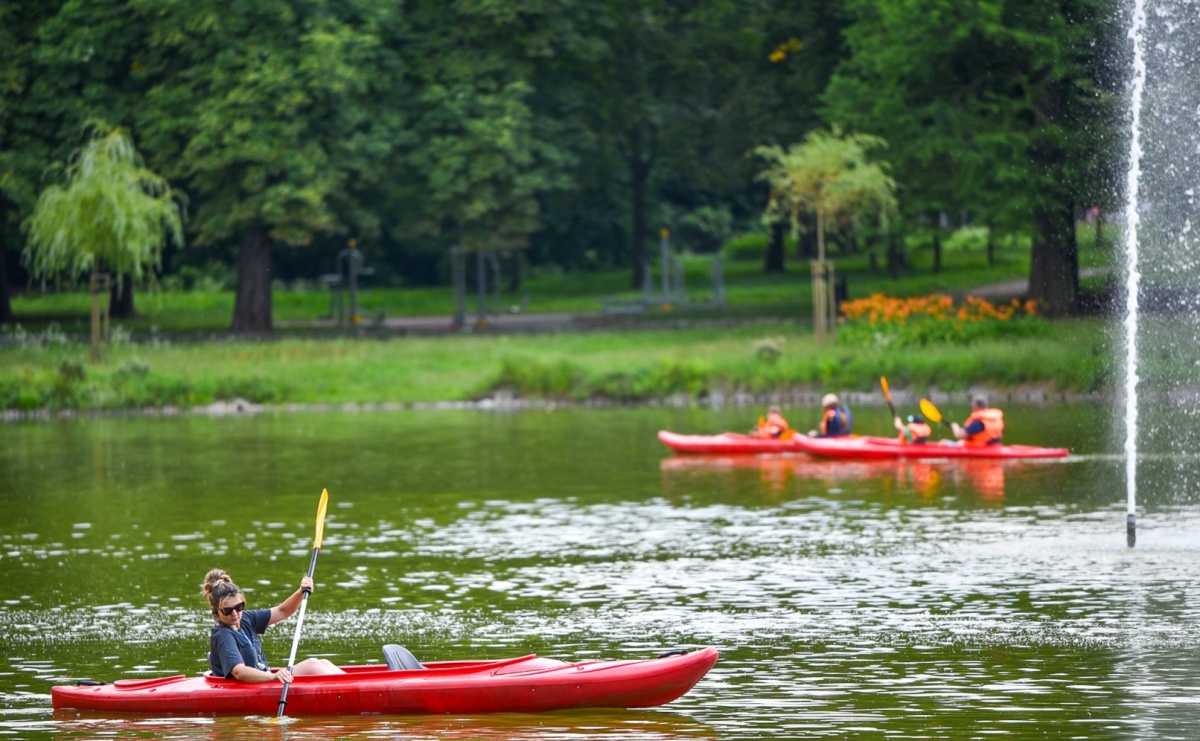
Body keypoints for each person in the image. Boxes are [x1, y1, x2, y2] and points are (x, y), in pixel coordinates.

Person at [203, 568, 344, 683]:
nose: (235, 613)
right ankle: (349, 689)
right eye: (228, 610)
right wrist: (273, 677)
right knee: (312, 664)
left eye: (239, 607)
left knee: (323, 662)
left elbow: (282, 611)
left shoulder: (246, 618)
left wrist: (301, 592)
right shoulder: (223, 635)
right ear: (216, 611)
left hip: (263, 678)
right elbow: (239, 672)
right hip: (247, 686)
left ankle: (353, 684)